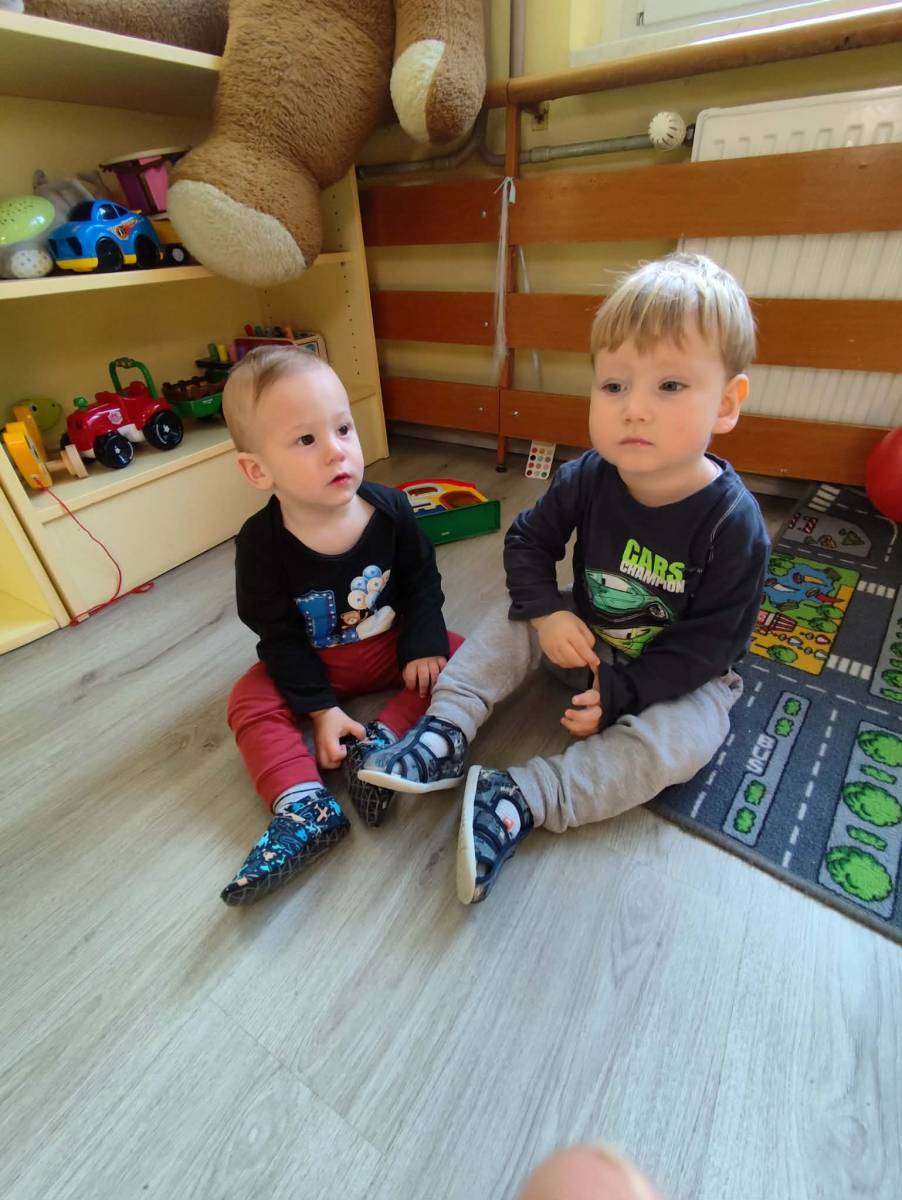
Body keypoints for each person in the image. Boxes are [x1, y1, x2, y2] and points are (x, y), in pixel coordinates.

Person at [359, 252, 771, 904]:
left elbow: (712, 646)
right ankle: (445, 731)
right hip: (584, 636)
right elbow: (528, 542)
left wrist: (627, 691)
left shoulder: (734, 524)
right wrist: (548, 613)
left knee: (691, 738)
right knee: (516, 616)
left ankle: (522, 797)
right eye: (614, 386)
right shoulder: (588, 477)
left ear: (726, 404)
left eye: (669, 386)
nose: (634, 409)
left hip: (676, 676)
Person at [219, 346, 461, 905]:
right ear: (257, 470)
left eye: (344, 428)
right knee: (247, 699)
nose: (337, 451)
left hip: (387, 646)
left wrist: (423, 643)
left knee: (461, 655)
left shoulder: (392, 510)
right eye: (306, 440)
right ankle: (303, 804)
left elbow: (422, 583)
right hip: (314, 661)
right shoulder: (259, 546)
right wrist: (321, 710)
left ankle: (379, 745)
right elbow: (277, 634)